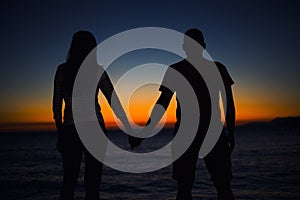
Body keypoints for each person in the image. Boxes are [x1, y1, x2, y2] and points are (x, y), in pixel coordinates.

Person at [132, 28, 235, 200]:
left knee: (186, 188)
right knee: (221, 186)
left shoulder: (177, 70)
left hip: (190, 134)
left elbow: (162, 103)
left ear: (184, 47)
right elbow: (228, 104)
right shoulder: (216, 68)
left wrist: (144, 132)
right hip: (210, 133)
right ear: (204, 45)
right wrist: (230, 131)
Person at [53, 30, 131, 200]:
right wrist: (129, 127)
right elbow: (113, 100)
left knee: (69, 181)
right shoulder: (97, 70)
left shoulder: (62, 70)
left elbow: (57, 107)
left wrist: (61, 133)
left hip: (71, 130)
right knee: (93, 183)